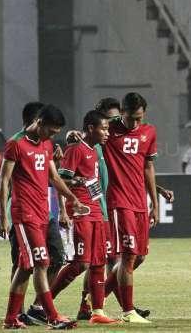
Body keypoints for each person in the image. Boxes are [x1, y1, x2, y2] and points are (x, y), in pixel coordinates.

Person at [0, 104, 80, 329]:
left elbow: (53, 177)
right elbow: (3, 180)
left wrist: (72, 198)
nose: (53, 136)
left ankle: (11, 318)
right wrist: (3, 218)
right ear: (39, 122)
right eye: (51, 131)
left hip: (44, 213)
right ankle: (52, 316)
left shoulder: (46, 144)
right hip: (25, 215)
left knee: (27, 267)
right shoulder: (16, 143)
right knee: (41, 262)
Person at [50, 110, 118, 324]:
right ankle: (44, 303)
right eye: (104, 129)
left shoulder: (95, 148)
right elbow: (60, 179)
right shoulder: (76, 150)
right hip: (81, 213)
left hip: (97, 211)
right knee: (81, 263)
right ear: (91, 128)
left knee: (98, 263)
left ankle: (97, 312)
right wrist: (75, 182)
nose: (107, 133)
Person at [102, 92, 159, 324]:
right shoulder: (108, 129)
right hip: (118, 201)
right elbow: (86, 137)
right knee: (127, 256)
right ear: (122, 112)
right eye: (131, 118)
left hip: (139, 203)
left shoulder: (149, 132)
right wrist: (73, 135)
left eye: (139, 118)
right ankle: (128, 311)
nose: (136, 123)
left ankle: (95, 298)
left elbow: (147, 168)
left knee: (140, 257)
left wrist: (155, 203)